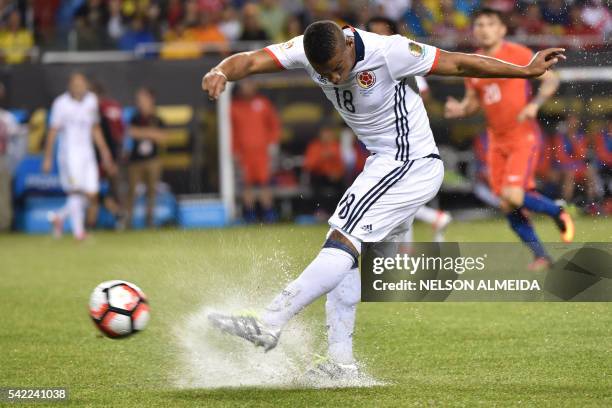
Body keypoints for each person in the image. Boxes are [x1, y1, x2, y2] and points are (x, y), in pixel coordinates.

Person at [202, 19, 565, 379]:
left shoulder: (389, 51)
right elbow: (249, 61)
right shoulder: (305, 48)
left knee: (341, 241)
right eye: (322, 73)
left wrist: (525, 71)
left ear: (347, 44)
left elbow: (457, 62)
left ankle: (270, 322)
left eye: (337, 69)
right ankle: (341, 365)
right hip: (389, 164)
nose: (332, 79)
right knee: (348, 260)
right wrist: (221, 69)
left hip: (407, 164)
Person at [444, 8, 573, 271]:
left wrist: (535, 104)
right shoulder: (472, 63)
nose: (483, 28)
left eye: (490, 23)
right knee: (506, 203)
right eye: (479, 24)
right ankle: (541, 255)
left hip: (521, 134)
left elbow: (551, 79)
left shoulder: (518, 53)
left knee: (514, 195)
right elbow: (473, 104)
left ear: (502, 30)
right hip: (496, 140)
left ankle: (556, 210)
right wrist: (460, 109)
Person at [365, 16, 453, 242]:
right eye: (373, 33)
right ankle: (424, 229)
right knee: (396, 193)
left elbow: (424, 93)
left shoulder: (401, 60)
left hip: (404, 137)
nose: (378, 38)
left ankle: (431, 221)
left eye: (382, 32)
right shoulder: (369, 64)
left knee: (396, 193)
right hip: (382, 137)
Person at [43, 72, 116, 240]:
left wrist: (105, 152)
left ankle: (58, 217)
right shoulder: (60, 104)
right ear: (69, 85)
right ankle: (79, 233)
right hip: (69, 154)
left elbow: (95, 128)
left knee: (92, 193)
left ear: (86, 85)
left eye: (81, 83)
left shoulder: (91, 101)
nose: (78, 87)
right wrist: (47, 157)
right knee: (76, 192)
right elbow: (53, 131)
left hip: (87, 154)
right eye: (75, 83)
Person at [231, 79, 281, 223]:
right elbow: (232, 132)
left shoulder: (263, 103)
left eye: (250, 84)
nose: (248, 87)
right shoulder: (234, 107)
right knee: (247, 184)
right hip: (244, 153)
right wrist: (235, 151)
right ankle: (250, 215)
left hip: (263, 152)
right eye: (245, 84)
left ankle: (268, 214)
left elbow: (274, 125)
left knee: (265, 183)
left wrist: (273, 144)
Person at [125, 87, 166, 228]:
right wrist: (151, 133)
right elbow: (132, 132)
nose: (140, 102)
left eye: (143, 99)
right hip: (135, 161)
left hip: (152, 160)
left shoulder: (157, 118)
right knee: (131, 191)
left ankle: (150, 220)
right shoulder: (135, 117)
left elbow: (162, 137)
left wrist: (143, 132)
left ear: (150, 100)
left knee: (152, 192)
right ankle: (127, 221)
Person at [553, 113, 597, 206]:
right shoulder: (559, 137)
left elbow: (581, 155)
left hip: (576, 165)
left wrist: (573, 139)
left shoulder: (580, 137)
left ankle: (591, 204)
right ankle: (567, 203)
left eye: (574, 122)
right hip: (562, 167)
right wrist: (571, 164)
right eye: (570, 122)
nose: (572, 125)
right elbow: (559, 157)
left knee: (590, 172)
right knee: (570, 174)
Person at [303, 124, 346, 218]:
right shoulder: (314, 146)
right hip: (319, 176)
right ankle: (320, 212)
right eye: (324, 134)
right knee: (317, 186)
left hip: (335, 177)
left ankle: (340, 211)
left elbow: (342, 164)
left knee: (344, 186)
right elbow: (309, 165)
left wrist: (336, 173)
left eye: (329, 134)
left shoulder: (336, 145)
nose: (327, 136)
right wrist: (321, 158)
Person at [0, 83, 23, 231]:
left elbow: (17, 141)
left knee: (3, 193)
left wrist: (13, 161)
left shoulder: (7, 118)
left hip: (2, 159)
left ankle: (4, 225)